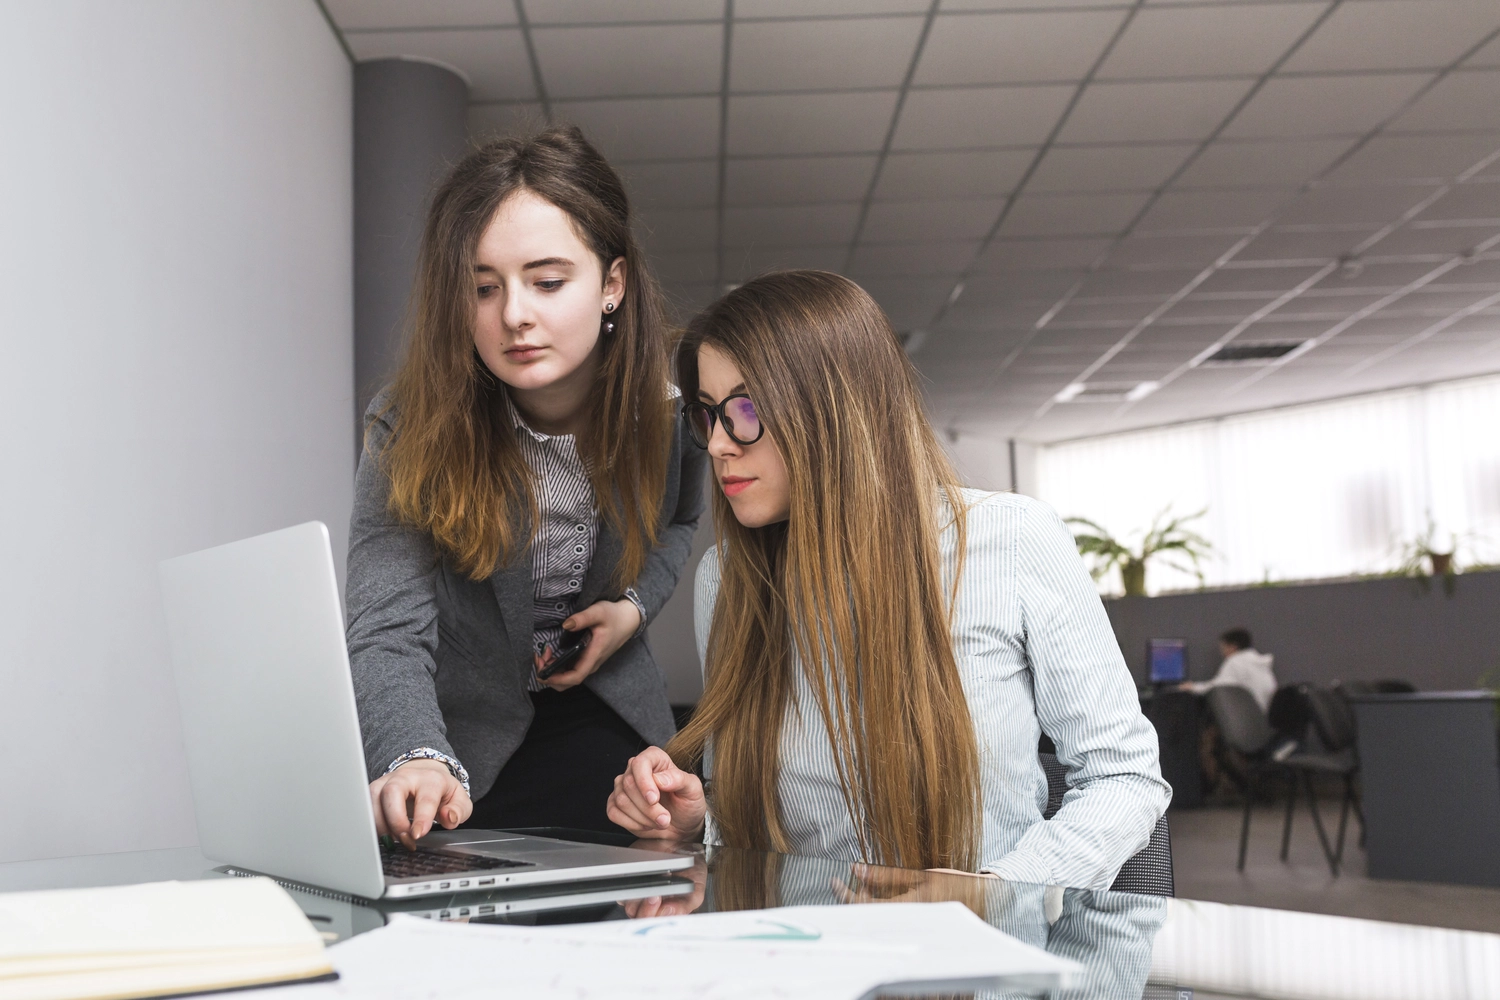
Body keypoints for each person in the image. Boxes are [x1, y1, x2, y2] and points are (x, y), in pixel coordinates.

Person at [606, 270, 1169, 890]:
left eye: (745, 410)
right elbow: (779, 825)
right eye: (707, 415)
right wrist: (699, 819)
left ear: (835, 411)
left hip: (982, 960)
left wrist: (993, 891)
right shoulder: (728, 580)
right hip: (806, 955)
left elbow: (1124, 776)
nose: (716, 445)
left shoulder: (1009, 540)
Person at [346, 126, 706, 847]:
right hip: (458, 743)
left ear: (612, 284)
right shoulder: (407, 423)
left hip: (611, 731)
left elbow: (680, 525)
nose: (513, 314)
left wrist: (633, 611)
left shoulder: (669, 417)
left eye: (546, 282)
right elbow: (387, 621)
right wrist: (413, 751)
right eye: (483, 288)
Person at [1181, 628, 1276, 711]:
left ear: (1233, 647)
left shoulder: (1236, 662)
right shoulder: (1258, 662)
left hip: (1248, 719)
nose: (1222, 652)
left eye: (1223, 647)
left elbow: (1217, 687)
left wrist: (1192, 687)